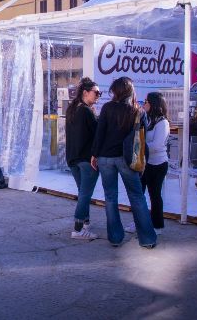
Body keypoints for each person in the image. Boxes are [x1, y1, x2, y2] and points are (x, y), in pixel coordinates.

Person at [90, 77, 157, 248]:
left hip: (105, 158)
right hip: (128, 159)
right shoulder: (138, 111)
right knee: (137, 197)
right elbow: (143, 138)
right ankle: (147, 239)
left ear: (117, 92)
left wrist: (94, 154)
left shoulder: (107, 108)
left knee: (110, 197)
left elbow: (100, 133)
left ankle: (115, 238)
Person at [65, 77, 101, 240]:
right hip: (87, 159)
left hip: (73, 158)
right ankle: (78, 228)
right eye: (96, 93)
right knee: (85, 194)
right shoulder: (86, 111)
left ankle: (85, 223)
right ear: (85, 92)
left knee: (82, 192)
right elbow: (97, 134)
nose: (98, 96)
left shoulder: (72, 109)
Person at [136, 92, 170, 235]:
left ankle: (157, 225)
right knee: (139, 194)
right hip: (145, 163)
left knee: (154, 194)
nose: (144, 104)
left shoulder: (163, 122)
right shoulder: (147, 119)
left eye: (146, 101)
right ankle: (140, 222)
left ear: (154, 104)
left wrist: (140, 145)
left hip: (157, 164)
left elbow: (156, 145)